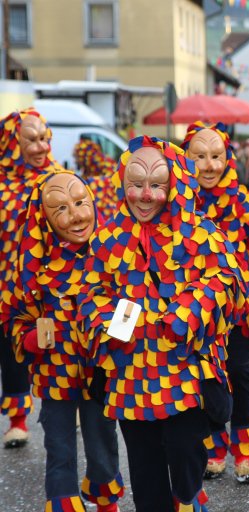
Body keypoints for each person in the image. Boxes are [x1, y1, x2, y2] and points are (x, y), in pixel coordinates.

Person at [78, 136, 249, 511]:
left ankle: (189, 498)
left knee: (184, 453)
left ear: (173, 185)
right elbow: (90, 294)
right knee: (145, 473)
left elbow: (229, 282)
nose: (145, 195)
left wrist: (186, 313)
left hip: (186, 371)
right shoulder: (108, 239)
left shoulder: (201, 232)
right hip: (129, 376)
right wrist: (116, 323)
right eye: (136, 184)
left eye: (156, 184)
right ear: (122, 184)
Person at [2, 171, 122, 512]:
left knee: (101, 442)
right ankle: (63, 501)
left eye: (81, 202)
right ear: (44, 218)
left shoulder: (111, 255)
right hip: (54, 377)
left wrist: (122, 334)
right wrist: (28, 340)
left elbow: (130, 302)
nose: (77, 216)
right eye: (61, 209)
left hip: (100, 372)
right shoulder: (31, 264)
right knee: (59, 446)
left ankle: (105, 500)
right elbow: (13, 317)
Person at [182, 121, 249, 483]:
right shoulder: (178, 206)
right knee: (204, 381)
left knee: (239, 375)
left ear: (228, 158)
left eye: (216, 156)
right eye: (200, 157)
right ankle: (214, 447)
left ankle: (243, 452)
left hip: (239, 311)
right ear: (186, 158)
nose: (209, 165)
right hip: (193, 315)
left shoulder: (246, 204)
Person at [0, 108, 61, 449]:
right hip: (8, 291)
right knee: (12, 355)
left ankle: (71, 407)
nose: (40, 147)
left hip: (52, 288)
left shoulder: (58, 179)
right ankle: (18, 419)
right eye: (31, 140)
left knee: (61, 349)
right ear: (12, 143)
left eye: (44, 138)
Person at [73, 139, 119, 220]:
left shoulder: (105, 163)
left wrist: (92, 183)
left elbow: (111, 179)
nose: (75, 160)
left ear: (84, 156)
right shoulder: (87, 170)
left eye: (76, 157)